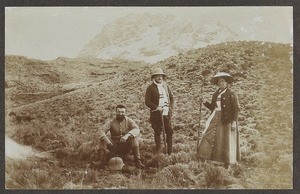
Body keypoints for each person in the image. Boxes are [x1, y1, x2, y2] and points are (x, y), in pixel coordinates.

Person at [198, 72, 241, 169]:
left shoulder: (231, 93)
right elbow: (213, 107)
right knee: (208, 134)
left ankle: (227, 162)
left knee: (225, 139)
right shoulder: (216, 93)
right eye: (219, 81)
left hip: (227, 119)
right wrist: (204, 102)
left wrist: (234, 122)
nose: (221, 83)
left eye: (223, 81)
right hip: (215, 116)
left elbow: (236, 109)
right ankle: (203, 156)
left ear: (226, 83)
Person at [98, 104, 144, 169]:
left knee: (133, 138)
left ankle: (138, 161)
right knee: (102, 139)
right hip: (114, 146)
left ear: (125, 113)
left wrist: (127, 135)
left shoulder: (129, 121)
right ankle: (101, 161)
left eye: (122, 112)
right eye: (118, 112)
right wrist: (106, 139)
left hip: (125, 146)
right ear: (116, 112)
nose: (120, 114)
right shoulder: (111, 122)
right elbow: (101, 130)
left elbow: (136, 129)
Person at [145, 68, 174, 155]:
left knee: (169, 131)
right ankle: (158, 151)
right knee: (157, 132)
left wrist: (170, 107)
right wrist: (156, 107)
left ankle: (169, 151)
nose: (159, 77)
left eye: (160, 76)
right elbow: (147, 101)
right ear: (154, 77)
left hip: (166, 113)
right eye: (157, 76)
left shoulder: (166, 86)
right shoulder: (150, 88)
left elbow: (172, 98)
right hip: (156, 114)